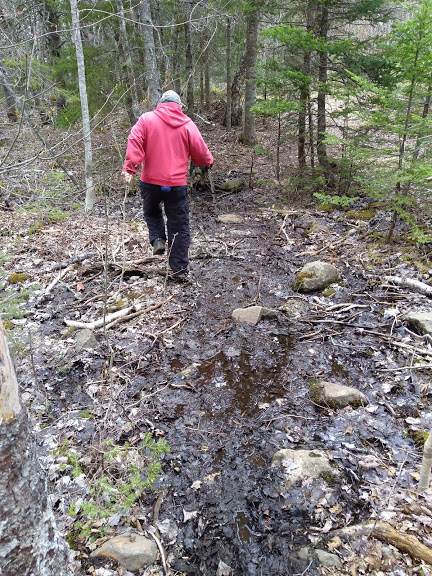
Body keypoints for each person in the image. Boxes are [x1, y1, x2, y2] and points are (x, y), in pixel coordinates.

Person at [121, 90, 214, 282]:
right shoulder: (187, 124)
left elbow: (135, 140)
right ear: (179, 106)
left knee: (152, 212)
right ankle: (179, 270)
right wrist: (207, 162)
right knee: (179, 225)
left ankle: (157, 239)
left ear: (160, 103)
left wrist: (130, 168)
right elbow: (202, 154)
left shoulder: (146, 119)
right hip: (176, 185)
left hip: (150, 182)